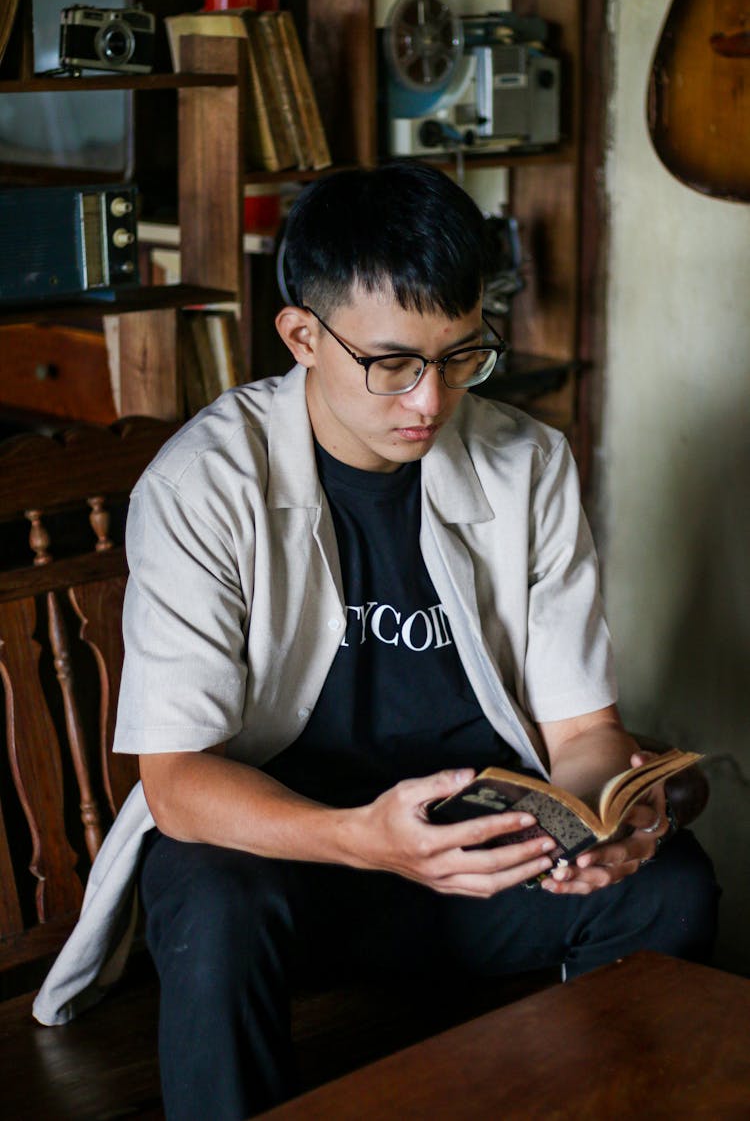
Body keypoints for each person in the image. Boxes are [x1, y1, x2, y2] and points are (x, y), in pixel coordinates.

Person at [33, 162, 718, 1120]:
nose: (429, 402)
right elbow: (178, 782)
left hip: (468, 851)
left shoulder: (528, 463)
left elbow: (583, 730)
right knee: (214, 896)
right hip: (292, 859)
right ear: (303, 335)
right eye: (392, 363)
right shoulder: (202, 485)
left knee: (671, 889)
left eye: (460, 357)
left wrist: (602, 822)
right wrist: (358, 838)